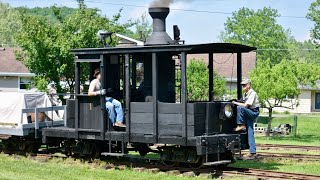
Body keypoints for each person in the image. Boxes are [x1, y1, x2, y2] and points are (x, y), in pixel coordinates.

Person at [232, 79, 259, 158]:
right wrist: (235, 100)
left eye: (244, 85)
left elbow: (246, 105)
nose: (243, 87)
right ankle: (252, 152)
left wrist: (236, 103)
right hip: (249, 112)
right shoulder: (245, 94)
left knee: (240, 108)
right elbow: (241, 100)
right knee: (250, 132)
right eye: (242, 85)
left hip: (253, 112)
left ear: (249, 85)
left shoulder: (252, 93)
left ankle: (241, 125)